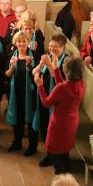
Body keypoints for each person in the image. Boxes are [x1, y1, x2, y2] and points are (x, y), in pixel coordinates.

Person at [34, 56, 85, 174]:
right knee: (64, 149)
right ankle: (67, 172)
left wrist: (40, 86)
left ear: (67, 71)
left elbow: (46, 103)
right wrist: (56, 69)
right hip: (72, 121)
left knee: (54, 151)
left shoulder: (62, 88)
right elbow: (63, 86)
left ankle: (61, 178)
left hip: (59, 124)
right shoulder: (81, 84)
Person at [32, 32, 69, 167]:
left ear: (63, 47)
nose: (52, 49)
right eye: (50, 45)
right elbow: (34, 71)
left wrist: (49, 64)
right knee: (44, 126)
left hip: (57, 102)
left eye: (56, 47)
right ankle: (49, 154)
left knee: (54, 130)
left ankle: (57, 158)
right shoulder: (47, 57)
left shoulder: (66, 60)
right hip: (44, 96)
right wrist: (40, 66)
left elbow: (62, 82)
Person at [5, 30, 39, 156]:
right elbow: (7, 75)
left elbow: (37, 75)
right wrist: (12, 67)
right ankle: (17, 142)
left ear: (28, 42)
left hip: (29, 93)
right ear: (15, 42)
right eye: (18, 41)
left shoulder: (34, 55)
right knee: (17, 117)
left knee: (30, 120)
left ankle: (32, 146)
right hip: (15, 92)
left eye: (23, 41)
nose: (21, 44)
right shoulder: (11, 55)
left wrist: (30, 65)